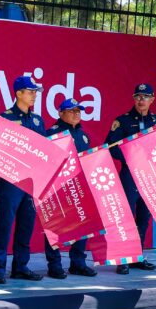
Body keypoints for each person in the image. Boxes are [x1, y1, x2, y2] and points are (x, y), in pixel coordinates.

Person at [0, 76, 47, 284]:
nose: (34, 95)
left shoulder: (38, 120)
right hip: (11, 182)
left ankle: (21, 266)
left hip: (31, 182)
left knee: (26, 224)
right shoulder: (5, 118)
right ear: (18, 93)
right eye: (30, 92)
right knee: (5, 223)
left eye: (35, 92)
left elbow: (44, 150)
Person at [105, 83, 156, 274]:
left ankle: (137, 256)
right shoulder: (123, 121)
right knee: (126, 218)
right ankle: (123, 259)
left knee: (144, 218)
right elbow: (110, 147)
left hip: (149, 176)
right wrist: (130, 157)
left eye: (145, 97)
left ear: (152, 100)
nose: (141, 100)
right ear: (133, 99)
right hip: (129, 175)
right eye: (138, 96)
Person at [44, 98, 98, 278]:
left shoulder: (83, 135)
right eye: (71, 111)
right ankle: (54, 265)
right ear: (61, 113)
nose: (76, 114)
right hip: (58, 187)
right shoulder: (53, 133)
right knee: (55, 227)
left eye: (78, 111)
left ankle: (78, 263)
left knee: (82, 224)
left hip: (80, 186)